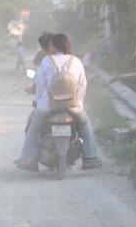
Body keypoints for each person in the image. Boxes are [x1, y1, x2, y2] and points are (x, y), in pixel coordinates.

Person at [15, 32, 102, 172]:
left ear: (55, 45)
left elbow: (41, 85)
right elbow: (82, 84)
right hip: (72, 105)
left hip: (48, 106)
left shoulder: (46, 61)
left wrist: (38, 101)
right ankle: (90, 158)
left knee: (34, 128)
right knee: (85, 125)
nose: (49, 47)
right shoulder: (76, 61)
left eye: (50, 44)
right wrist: (78, 101)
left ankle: (29, 160)